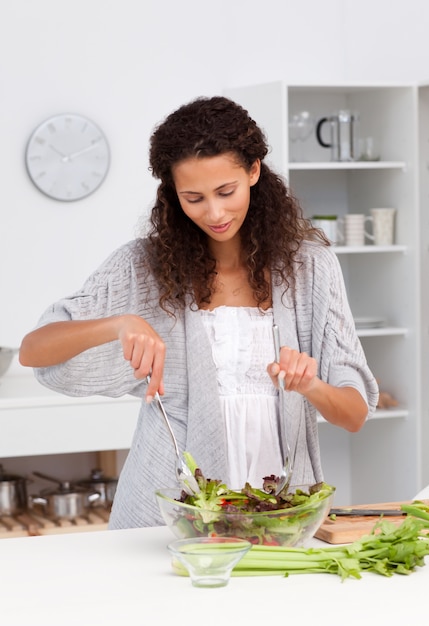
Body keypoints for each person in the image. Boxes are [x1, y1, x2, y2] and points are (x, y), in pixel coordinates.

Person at [19, 96, 379, 529]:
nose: (214, 212)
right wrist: (120, 323)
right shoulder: (145, 265)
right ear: (173, 193)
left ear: (253, 171)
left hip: (281, 516)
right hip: (165, 517)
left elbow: (354, 414)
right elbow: (34, 351)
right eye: (193, 197)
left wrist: (311, 386)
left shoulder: (310, 266)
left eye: (226, 192)